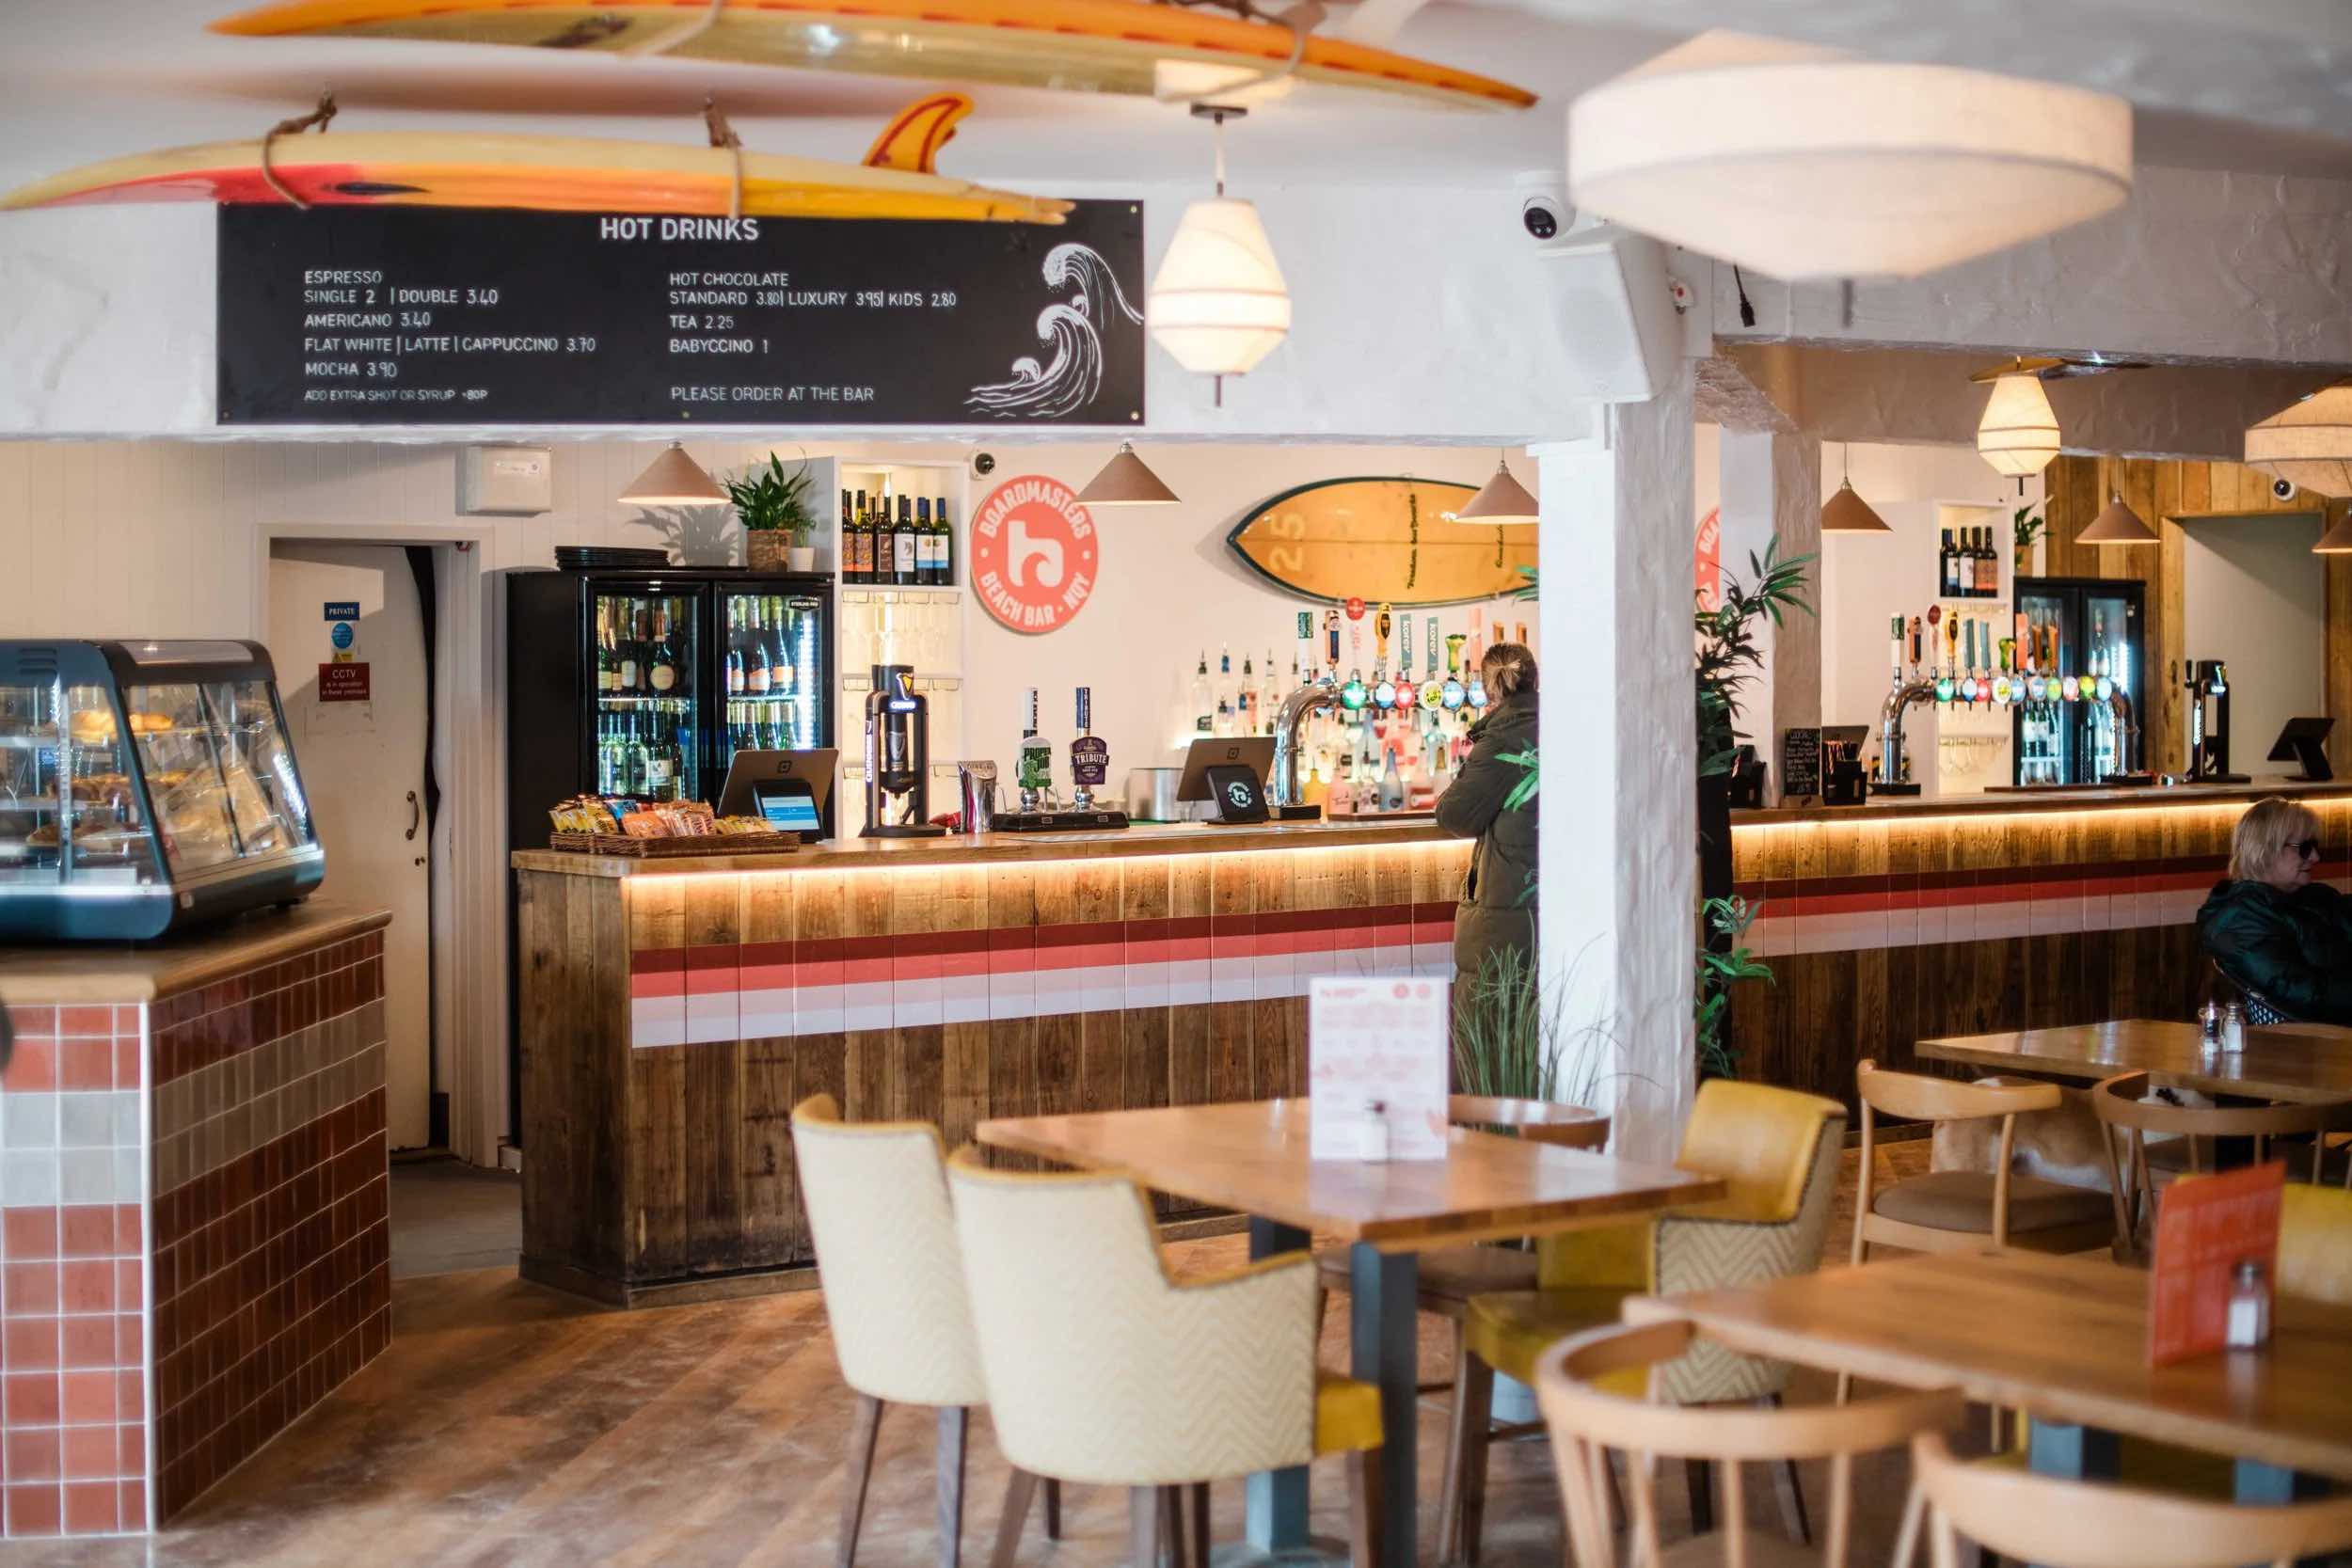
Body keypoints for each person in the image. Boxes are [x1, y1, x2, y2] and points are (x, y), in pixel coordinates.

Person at [2196, 797, 2352, 1025]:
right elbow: (2304, 993)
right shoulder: (2241, 919)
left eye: (2314, 846)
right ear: (2265, 851)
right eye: (2304, 848)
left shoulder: (2312, 896)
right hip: (2317, 1037)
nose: (2315, 857)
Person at [1435, 641, 1538, 987]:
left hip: (1509, 911)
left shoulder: (1502, 738)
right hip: (1550, 901)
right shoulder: (1560, 727)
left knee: (1499, 1009)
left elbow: (1454, 814)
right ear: (1536, 680)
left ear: (1487, 689)